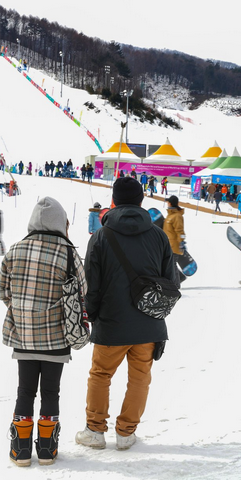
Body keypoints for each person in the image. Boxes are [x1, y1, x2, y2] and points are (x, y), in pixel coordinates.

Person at [76, 177, 177, 451]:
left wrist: (93, 316)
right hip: (149, 325)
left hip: (111, 322)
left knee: (100, 374)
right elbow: (172, 282)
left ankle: (95, 431)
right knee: (140, 377)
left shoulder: (100, 236)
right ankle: (126, 433)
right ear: (141, 200)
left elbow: (91, 285)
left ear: (115, 200)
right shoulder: (159, 236)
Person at [0, 197, 86, 466]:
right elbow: (83, 291)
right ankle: (47, 450)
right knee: (51, 392)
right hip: (57, 337)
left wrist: (23, 309)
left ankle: (21, 451)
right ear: (61, 222)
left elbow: (3, 291)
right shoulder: (69, 252)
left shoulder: (14, 250)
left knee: (24, 391)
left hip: (23, 335)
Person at [162, 195, 188, 283]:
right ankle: (180, 278)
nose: (167, 203)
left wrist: (182, 242)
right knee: (170, 265)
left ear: (171, 203)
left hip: (174, 245)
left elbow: (180, 230)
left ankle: (176, 285)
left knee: (172, 265)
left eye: (168, 202)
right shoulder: (170, 216)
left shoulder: (177, 216)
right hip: (168, 244)